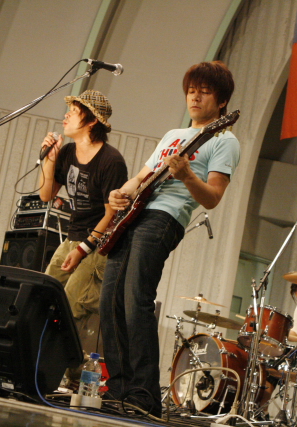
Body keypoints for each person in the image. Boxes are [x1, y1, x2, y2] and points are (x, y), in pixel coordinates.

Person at [100, 61, 241, 416]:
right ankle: (117, 389)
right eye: (191, 90)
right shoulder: (172, 135)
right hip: (135, 214)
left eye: (204, 92)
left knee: (136, 299)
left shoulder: (224, 140)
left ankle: (143, 394)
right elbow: (141, 178)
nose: (195, 97)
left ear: (222, 101)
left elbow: (213, 198)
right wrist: (121, 193)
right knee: (110, 300)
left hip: (165, 218)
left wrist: (189, 176)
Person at [39, 90, 128, 340]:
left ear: (92, 121)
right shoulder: (68, 152)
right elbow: (46, 195)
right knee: (41, 297)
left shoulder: (111, 161)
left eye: (74, 112)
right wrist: (50, 159)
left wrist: (83, 249)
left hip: (98, 246)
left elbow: (112, 215)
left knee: (70, 308)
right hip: (73, 237)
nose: (66, 115)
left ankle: (69, 364)